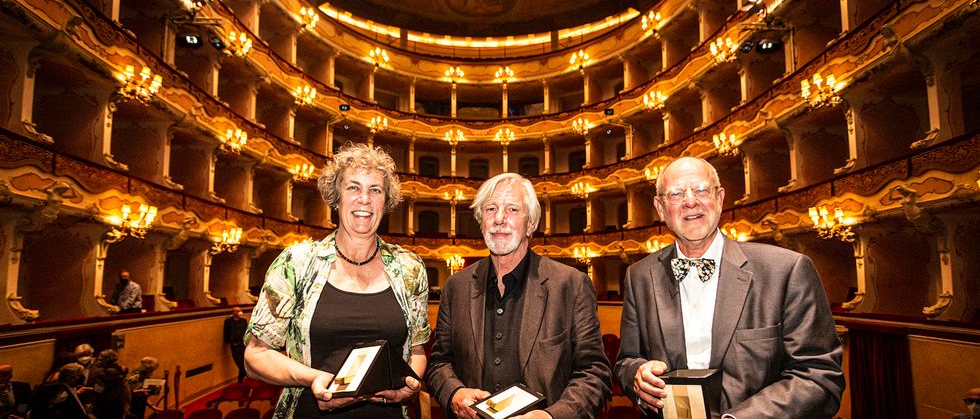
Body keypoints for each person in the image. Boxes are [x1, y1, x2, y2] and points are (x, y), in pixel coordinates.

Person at [614, 157, 845, 418]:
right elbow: (627, 360)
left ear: (720, 198)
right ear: (660, 207)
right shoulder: (639, 276)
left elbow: (818, 375)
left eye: (702, 190)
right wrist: (636, 375)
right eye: (676, 194)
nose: (690, 201)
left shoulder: (787, 270)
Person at [245, 143, 430, 418]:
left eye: (375, 190)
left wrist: (409, 386)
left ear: (386, 201)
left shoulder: (410, 268)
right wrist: (313, 378)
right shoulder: (296, 263)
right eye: (353, 187)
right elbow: (255, 357)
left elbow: (417, 351)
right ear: (336, 197)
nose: (364, 199)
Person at [427, 173, 611, 419]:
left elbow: (594, 374)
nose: (499, 219)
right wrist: (454, 393)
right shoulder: (456, 287)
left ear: (531, 224)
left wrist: (550, 416)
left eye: (512, 209)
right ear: (481, 221)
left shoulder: (571, 286)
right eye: (491, 209)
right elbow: (439, 363)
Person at [224, 307, 248, 383]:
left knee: (243, 364)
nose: (239, 312)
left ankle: (240, 381)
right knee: (239, 363)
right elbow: (226, 331)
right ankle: (243, 379)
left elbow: (246, 331)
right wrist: (227, 342)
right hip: (234, 345)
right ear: (233, 312)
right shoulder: (228, 321)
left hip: (243, 345)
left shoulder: (243, 321)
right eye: (237, 311)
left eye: (239, 311)